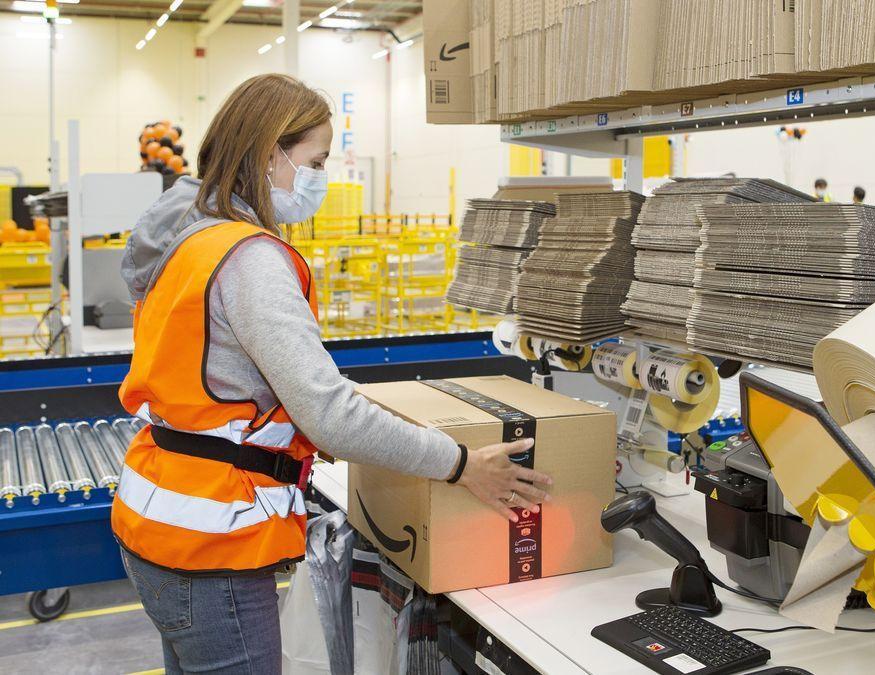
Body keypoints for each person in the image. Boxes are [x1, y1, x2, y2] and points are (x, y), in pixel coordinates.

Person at [113, 73, 552, 674]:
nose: (320, 178)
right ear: (271, 154)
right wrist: (462, 465)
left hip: (159, 518)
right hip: (212, 542)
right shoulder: (248, 257)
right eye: (315, 160)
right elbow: (329, 414)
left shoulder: (189, 240)